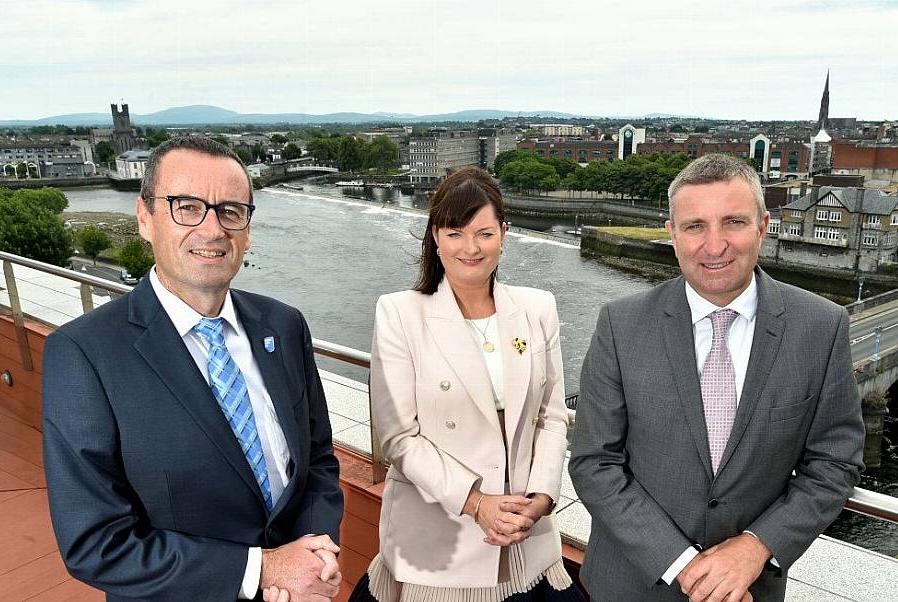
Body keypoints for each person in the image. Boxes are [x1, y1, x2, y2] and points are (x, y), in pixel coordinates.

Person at [42, 136, 344, 601]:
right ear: (144, 217)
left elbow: (318, 459)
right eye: (187, 206)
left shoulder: (284, 326)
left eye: (230, 210)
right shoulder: (84, 354)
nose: (212, 228)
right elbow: (95, 542)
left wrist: (313, 556)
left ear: (247, 227)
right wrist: (263, 570)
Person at [569, 153, 865, 602]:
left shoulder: (821, 328)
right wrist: (685, 566)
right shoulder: (620, 325)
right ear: (671, 234)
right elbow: (594, 462)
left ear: (763, 226)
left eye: (733, 222)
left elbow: (834, 463)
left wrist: (756, 547)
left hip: (750, 589)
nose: (714, 245)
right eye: (694, 226)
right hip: (629, 587)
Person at [354, 167, 582, 602]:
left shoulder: (538, 308)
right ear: (435, 236)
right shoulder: (399, 314)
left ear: (504, 233)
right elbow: (399, 437)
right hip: (440, 537)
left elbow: (552, 417)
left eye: (484, 233)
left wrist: (541, 497)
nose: (471, 248)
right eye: (455, 233)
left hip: (525, 538)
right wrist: (477, 503)